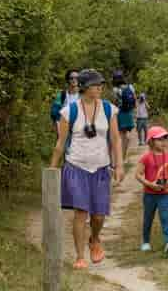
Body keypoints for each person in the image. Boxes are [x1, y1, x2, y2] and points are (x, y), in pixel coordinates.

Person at [48, 69, 124, 269]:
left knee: (99, 214)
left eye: (100, 84)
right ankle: (80, 256)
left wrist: (119, 165)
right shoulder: (69, 112)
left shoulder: (109, 109)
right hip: (76, 165)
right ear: (84, 87)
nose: (99, 87)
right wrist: (52, 171)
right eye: (95, 85)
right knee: (81, 211)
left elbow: (115, 139)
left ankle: (95, 239)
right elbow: (61, 143)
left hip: (100, 166)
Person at [136, 125, 168, 253]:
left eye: (165, 139)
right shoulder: (146, 158)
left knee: (165, 217)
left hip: (164, 193)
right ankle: (146, 242)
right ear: (151, 141)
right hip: (149, 195)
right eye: (160, 139)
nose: (164, 142)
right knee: (148, 218)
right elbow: (137, 175)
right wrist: (150, 184)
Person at [50, 70, 81, 135]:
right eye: (71, 78)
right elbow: (54, 113)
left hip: (80, 130)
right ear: (68, 80)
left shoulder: (83, 95)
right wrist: (56, 127)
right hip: (64, 130)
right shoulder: (61, 95)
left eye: (76, 78)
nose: (74, 80)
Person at [112, 71, 137, 149]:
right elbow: (135, 99)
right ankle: (125, 155)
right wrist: (134, 111)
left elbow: (114, 102)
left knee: (121, 134)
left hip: (120, 112)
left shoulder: (115, 89)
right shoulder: (130, 87)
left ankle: (121, 154)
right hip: (129, 112)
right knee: (127, 134)